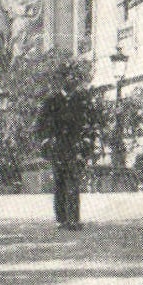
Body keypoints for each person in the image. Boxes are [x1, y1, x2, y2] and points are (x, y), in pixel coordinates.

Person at [36, 87, 95, 228]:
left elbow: (88, 124)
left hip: (74, 149)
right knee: (60, 183)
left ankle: (74, 219)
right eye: (68, 78)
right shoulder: (51, 101)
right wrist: (47, 141)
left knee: (74, 182)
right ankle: (62, 219)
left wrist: (86, 142)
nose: (72, 82)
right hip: (58, 149)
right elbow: (41, 125)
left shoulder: (79, 101)